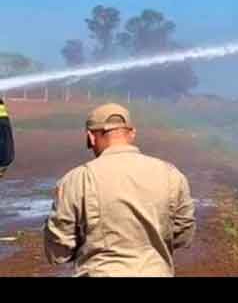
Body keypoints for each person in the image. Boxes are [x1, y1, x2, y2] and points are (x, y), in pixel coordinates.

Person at [43, 103, 195, 277]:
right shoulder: (171, 174)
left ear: (91, 137)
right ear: (132, 134)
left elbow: (59, 250)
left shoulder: (77, 179)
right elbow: (184, 234)